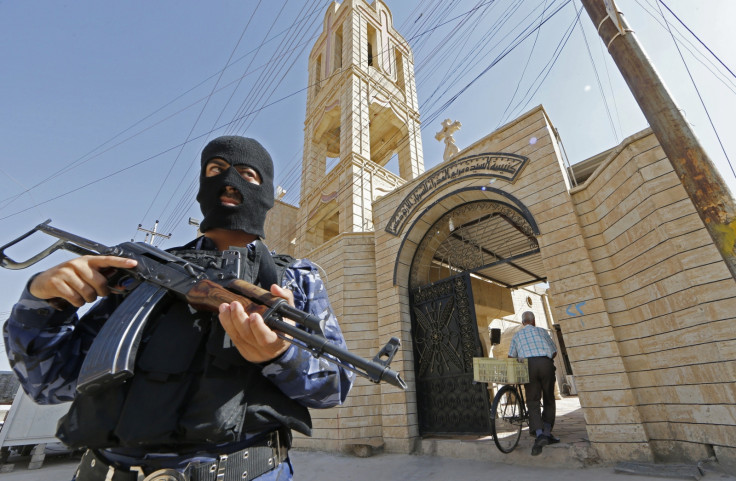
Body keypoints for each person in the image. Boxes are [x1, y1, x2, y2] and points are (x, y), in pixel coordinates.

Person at [3, 136, 355, 480]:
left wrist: (281, 354)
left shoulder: (294, 278)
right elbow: (47, 382)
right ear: (202, 184)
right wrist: (42, 303)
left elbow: (335, 386)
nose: (230, 182)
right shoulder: (139, 270)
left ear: (266, 191)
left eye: (247, 174)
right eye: (216, 169)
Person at [508, 311, 558, 456]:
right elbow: (554, 352)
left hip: (528, 366)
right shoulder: (542, 331)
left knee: (532, 400)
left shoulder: (517, 335)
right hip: (545, 363)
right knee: (549, 397)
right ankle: (547, 431)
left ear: (523, 323)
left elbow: (511, 356)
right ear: (533, 321)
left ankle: (539, 433)